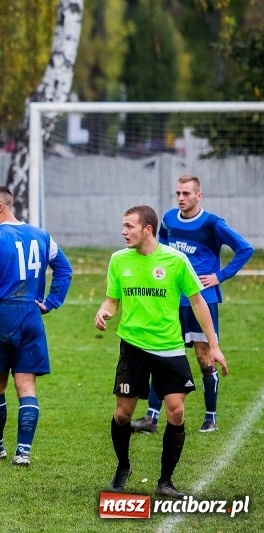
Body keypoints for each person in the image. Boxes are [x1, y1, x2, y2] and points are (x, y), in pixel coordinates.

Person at [95, 205, 229, 498]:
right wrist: (104, 312)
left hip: (169, 347)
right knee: (122, 414)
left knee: (176, 412)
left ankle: (165, 482)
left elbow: (198, 302)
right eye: (123, 225)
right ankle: (123, 467)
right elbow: (112, 301)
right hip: (133, 347)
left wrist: (214, 345)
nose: (123, 231)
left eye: (129, 226)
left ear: (147, 230)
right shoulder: (119, 261)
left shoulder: (175, 261)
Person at [131, 175, 252, 434]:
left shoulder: (212, 223)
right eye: (178, 193)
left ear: (199, 195)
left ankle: (210, 417)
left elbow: (245, 248)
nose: (181, 198)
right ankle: (151, 418)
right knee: (161, 354)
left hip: (201, 300)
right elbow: (160, 246)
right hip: (172, 299)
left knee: (202, 357)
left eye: (186, 193)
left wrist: (220, 276)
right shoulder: (168, 219)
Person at [0, 186, 72, 466]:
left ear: (0, 207)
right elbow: (65, 269)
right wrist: (51, 302)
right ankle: (23, 452)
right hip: (31, 315)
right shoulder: (41, 235)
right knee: (26, 387)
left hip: (1, 316)